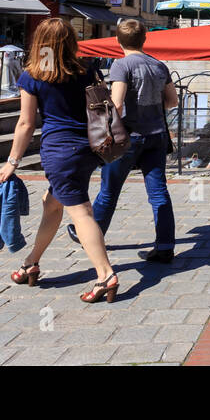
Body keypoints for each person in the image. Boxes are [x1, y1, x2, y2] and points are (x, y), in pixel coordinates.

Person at [0, 17, 119, 304]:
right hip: (88, 149)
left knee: (81, 213)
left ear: (40, 42)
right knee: (52, 204)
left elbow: (26, 123)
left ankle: (105, 275)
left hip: (60, 151)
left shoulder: (33, 74)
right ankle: (31, 263)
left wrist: (12, 161)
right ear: (71, 41)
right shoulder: (86, 69)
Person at [67, 19, 178, 264]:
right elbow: (172, 101)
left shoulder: (121, 65)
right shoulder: (160, 66)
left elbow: (116, 104)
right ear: (144, 39)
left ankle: (90, 235)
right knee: (158, 192)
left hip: (129, 137)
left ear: (118, 41)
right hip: (157, 136)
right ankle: (165, 245)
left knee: (109, 190)